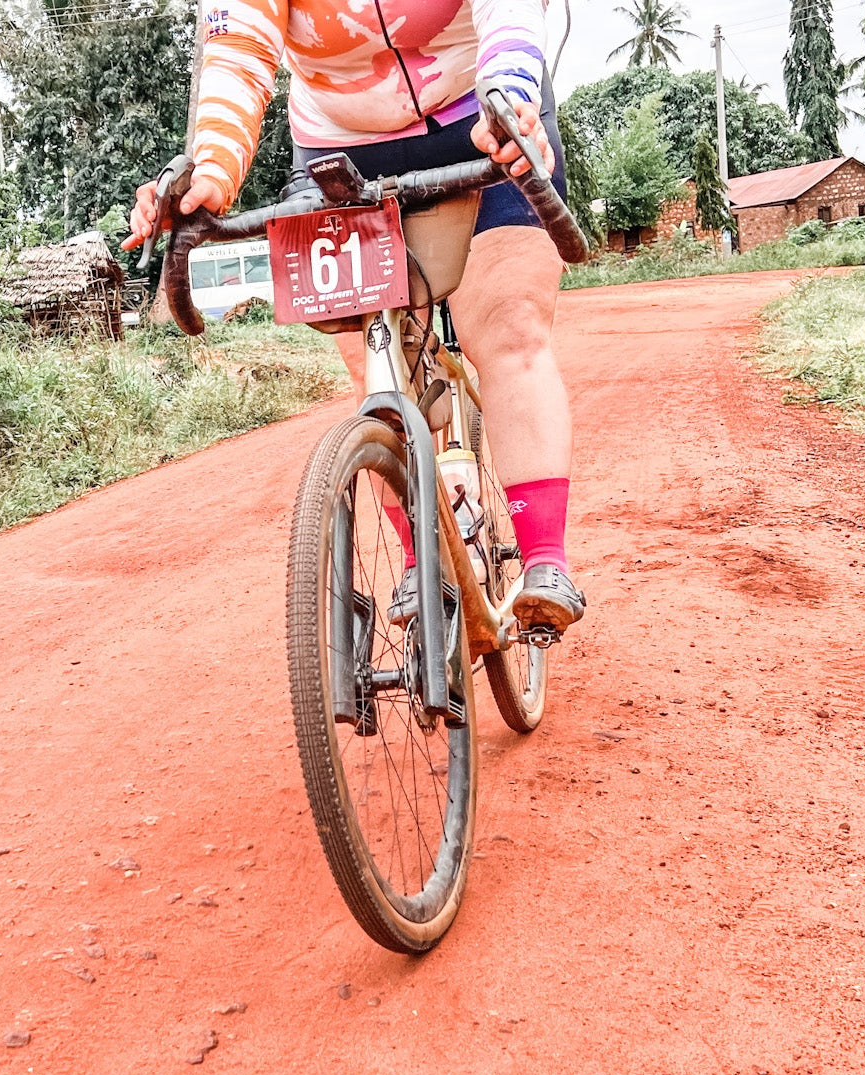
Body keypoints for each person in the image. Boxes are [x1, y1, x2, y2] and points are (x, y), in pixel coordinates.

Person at [125, 0, 586, 635]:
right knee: (376, 368)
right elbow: (239, 52)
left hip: (478, 112)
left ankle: (543, 561)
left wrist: (508, 93)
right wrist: (213, 169)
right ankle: (418, 556)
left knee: (511, 329)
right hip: (342, 147)